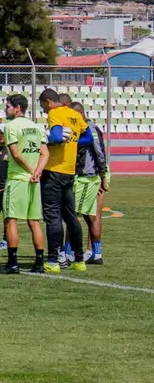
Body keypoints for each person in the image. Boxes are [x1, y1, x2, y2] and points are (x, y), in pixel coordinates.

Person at [38, 88, 89, 273]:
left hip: (53, 170)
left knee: (53, 217)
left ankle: (52, 261)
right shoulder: (75, 114)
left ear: (49, 101)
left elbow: (57, 136)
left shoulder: (55, 113)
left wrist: (47, 139)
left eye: (43, 105)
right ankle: (79, 259)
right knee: (71, 216)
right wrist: (73, 143)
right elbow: (88, 138)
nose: (44, 110)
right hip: (69, 171)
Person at [0, 95, 49, 274]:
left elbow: (16, 154)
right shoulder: (36, 127)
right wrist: (37, 171)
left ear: (18, 108)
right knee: (34, 221)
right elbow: (45, 153)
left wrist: (29, 170)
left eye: (8, 106)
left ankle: (12, 264)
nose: (5, 109)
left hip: (17, 179)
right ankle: (39, 263)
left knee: (11, 220)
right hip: (34, 181)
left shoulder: (10, 127)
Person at [71, 102, 108, 265]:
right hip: (90, 176)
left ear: (79, 114)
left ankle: (69, 254)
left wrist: (103, 175)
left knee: (75, 216)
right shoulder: (83, 128)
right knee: (89, 216)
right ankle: (96, 254)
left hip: (89, 177)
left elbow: (99, 152)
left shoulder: (90, 129)